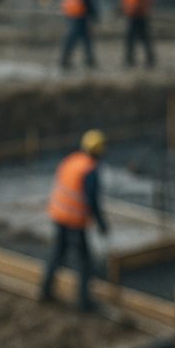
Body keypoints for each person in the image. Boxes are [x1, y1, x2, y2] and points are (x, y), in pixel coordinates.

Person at [41, 129, 109, 311]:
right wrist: (102, 224)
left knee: (57, 254)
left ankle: (45, 291)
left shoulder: (71, 160)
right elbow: (92, 201)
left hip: (59, 215)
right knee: (84, 262)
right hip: (74, 220)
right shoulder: (90, 170)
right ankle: (84, 303)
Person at [60, 0, 98, 69]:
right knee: (74, 38)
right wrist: (94, 13)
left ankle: (89, 60)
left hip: (70, 13)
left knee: (85, 38)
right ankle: (65, 61)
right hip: (79, 14)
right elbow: (88, 0)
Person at [119, 0, 155, 67]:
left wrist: (138, 8)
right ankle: (129, 60)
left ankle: (149, 60)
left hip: (140, 15)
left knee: (144, 38)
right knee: (130, 39)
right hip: (132, 15)